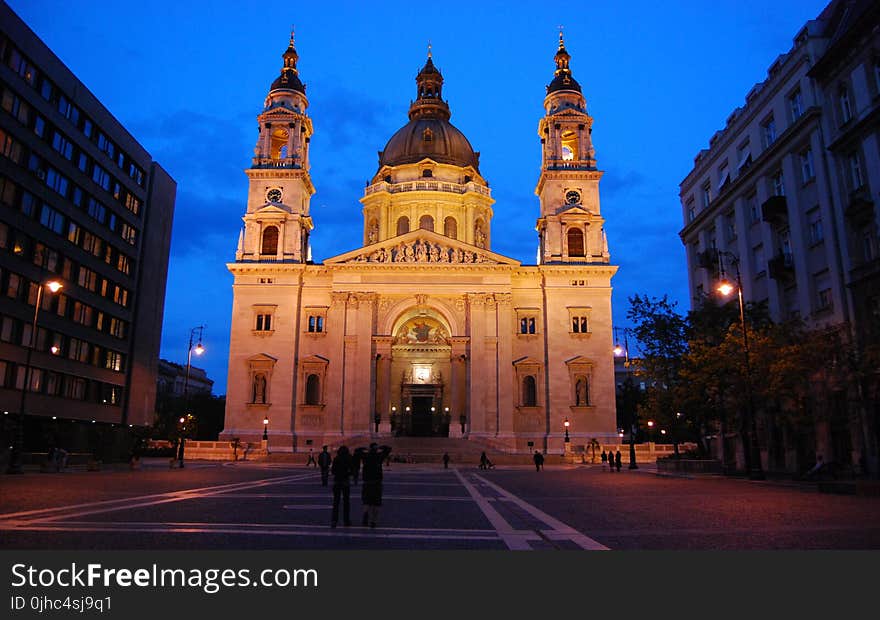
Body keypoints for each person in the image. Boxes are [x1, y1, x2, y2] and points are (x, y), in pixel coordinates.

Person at [357, 443, 392, 528]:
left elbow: (357, 451)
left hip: (367, 482)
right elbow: (388, 449)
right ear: (376, 449)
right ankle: (373, 521)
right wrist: (380, 447)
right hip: (377, 482)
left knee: (366, 501)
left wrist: (364, 448)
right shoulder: (379, 456)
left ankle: (365, 513)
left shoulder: (365, 456)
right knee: (376, 503)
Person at [330, 446, 353, 527]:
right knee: (346, 502)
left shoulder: (337, 458)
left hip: (337, 482)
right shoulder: (349, 458)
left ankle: (334, 520)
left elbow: (333, 471)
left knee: (336, 502)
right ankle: (346, 521)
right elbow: (352, 470)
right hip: (345, 482)